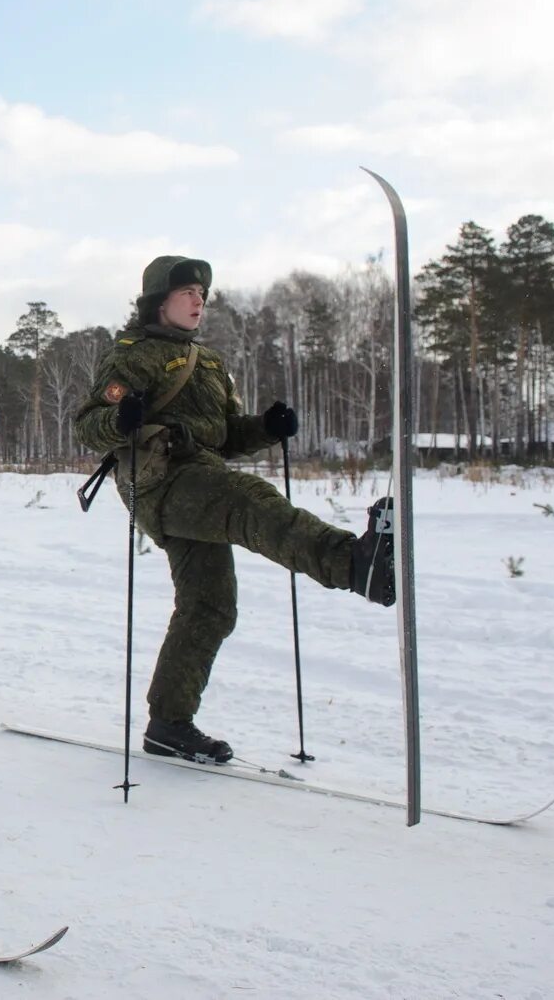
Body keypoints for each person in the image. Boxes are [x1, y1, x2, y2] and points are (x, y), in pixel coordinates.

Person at [74, 255, 394, 765]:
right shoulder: (132, 355)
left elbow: (223, 437)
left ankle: (168, 726)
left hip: (200, 480)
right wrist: (121, 417)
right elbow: (88, 424)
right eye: (188, 292)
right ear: (160, 300)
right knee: (251, 502)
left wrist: (267, 427)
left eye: (203, 293)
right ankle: (353, 564)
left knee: (210, 606)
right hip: (160, 483)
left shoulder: (211, 364)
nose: (200, 300)